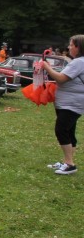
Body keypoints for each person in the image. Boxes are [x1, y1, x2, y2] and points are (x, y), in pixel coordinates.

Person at [41, 35, 84, 175]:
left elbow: (61, 78)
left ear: (78, 47)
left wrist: (46, 66)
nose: (69, 47)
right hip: (70, 103)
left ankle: (70, 164)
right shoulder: (78, 62)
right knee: (69, 131)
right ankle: (67, 161)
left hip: (71, 104)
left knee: (61, 130)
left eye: (71, 45)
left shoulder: (79, 62)